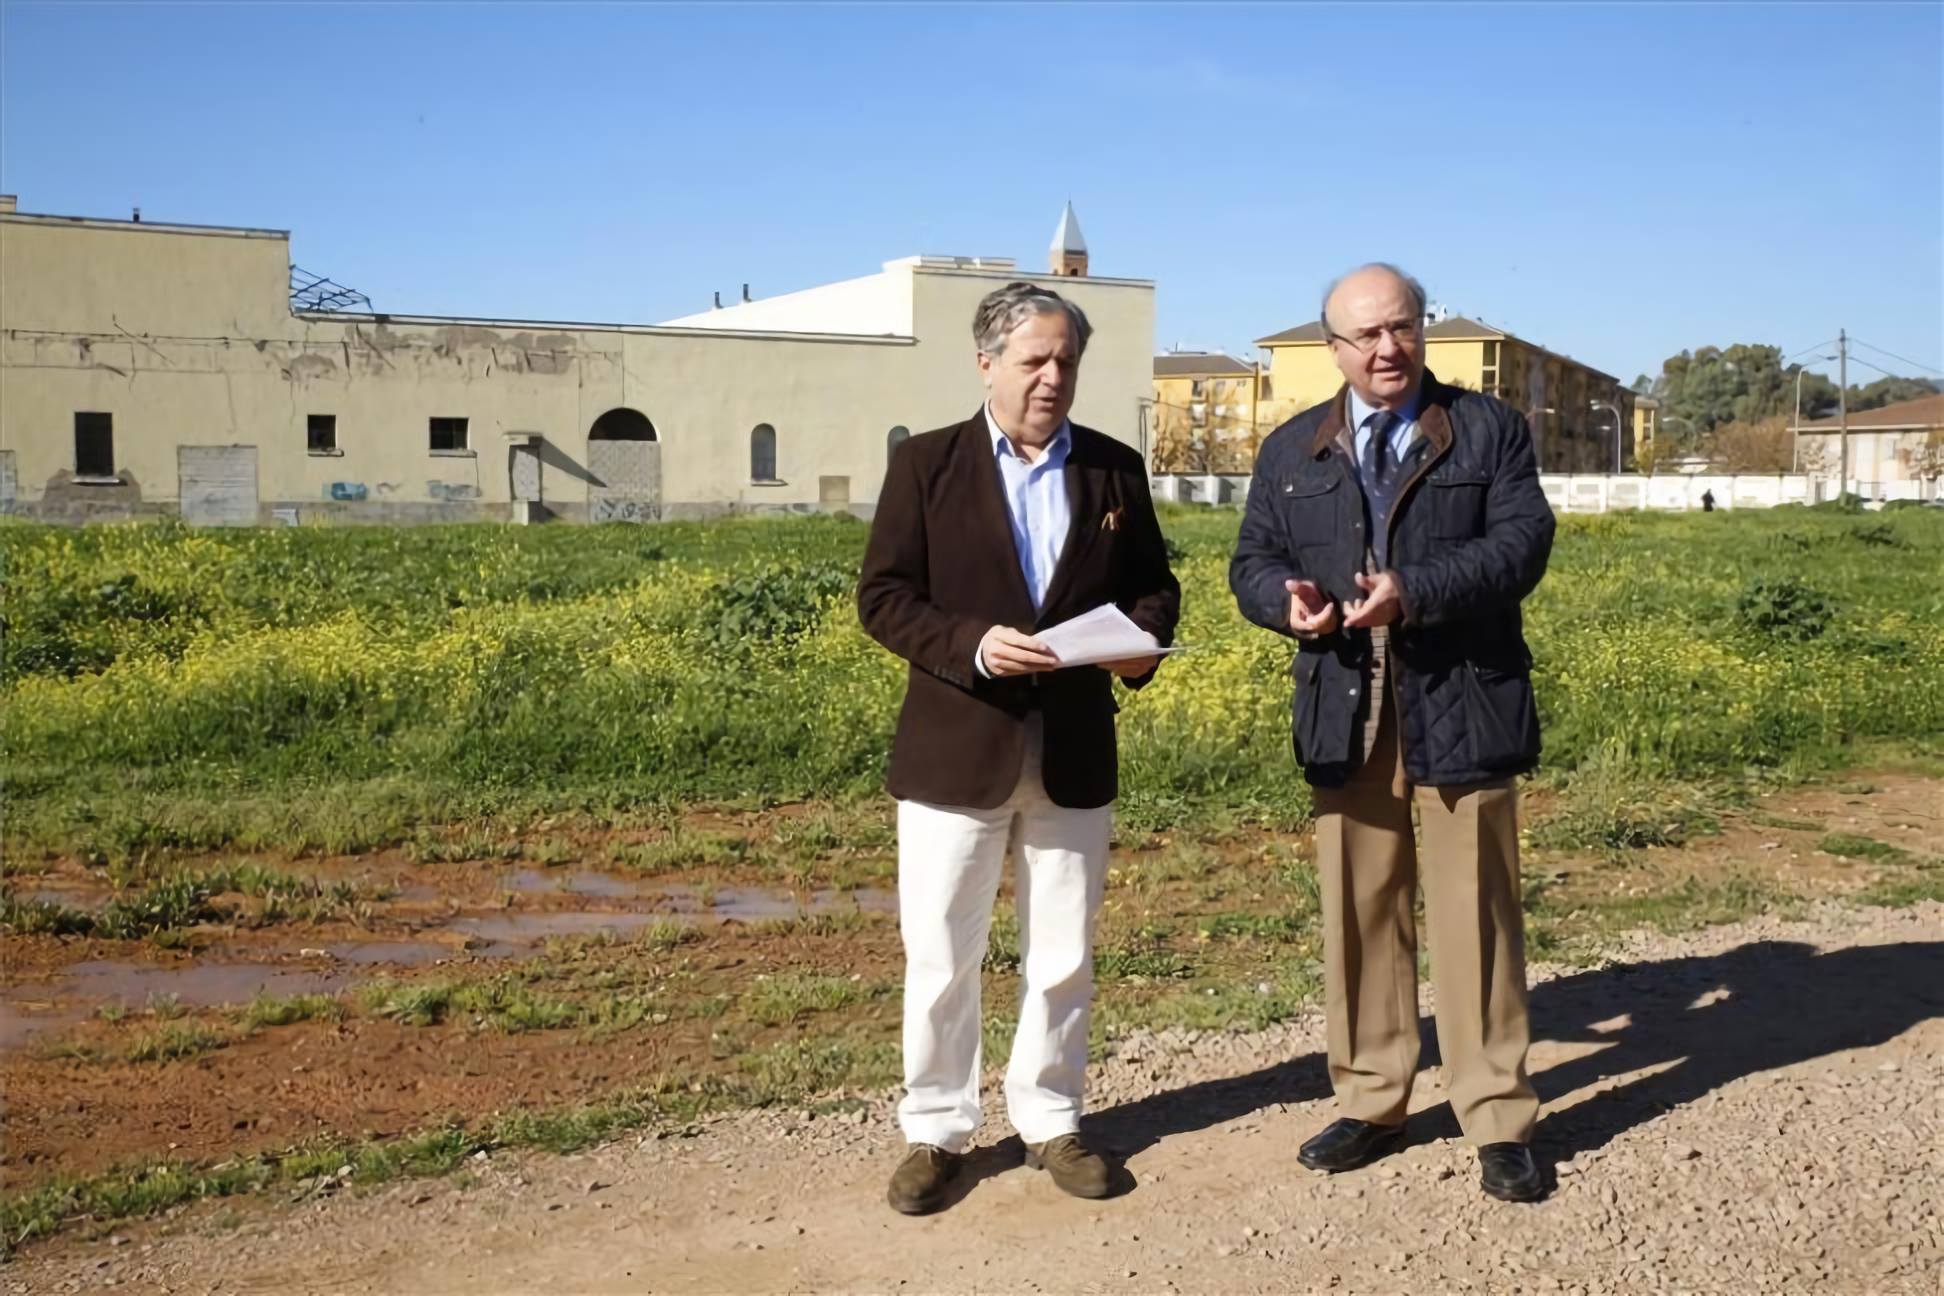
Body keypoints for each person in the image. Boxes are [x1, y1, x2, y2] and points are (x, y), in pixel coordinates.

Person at [1229, 263, 1556, 1203]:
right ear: (1331, 348)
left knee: (1477, 915)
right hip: (1347, 704)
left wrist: (1413, 591)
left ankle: (1496, 1112)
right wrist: (1279, 601)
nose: (1386, 348)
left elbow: (1520, 546)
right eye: (1364, 335)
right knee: (1360, 911)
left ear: (1423, 330)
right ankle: (1375, 1098)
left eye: (1401, 328)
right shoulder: (1295, 448)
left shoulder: (1488, 429)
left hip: (1463, 696)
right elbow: (1253, 557)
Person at [858, 281, 1180, 1215]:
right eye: (1034, 359)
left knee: (1062, 951)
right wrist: (971, 644)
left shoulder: (1116, 470)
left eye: (1066, 361)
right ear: (987, 362)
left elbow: (1156, 591)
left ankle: (1051, 1118)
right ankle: (936, 1131)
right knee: (942, 953)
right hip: (957, 749)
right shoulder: (925, 466)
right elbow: (883, 597)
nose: (1052, 377)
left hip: (1073, 747)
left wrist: (1135, 645)